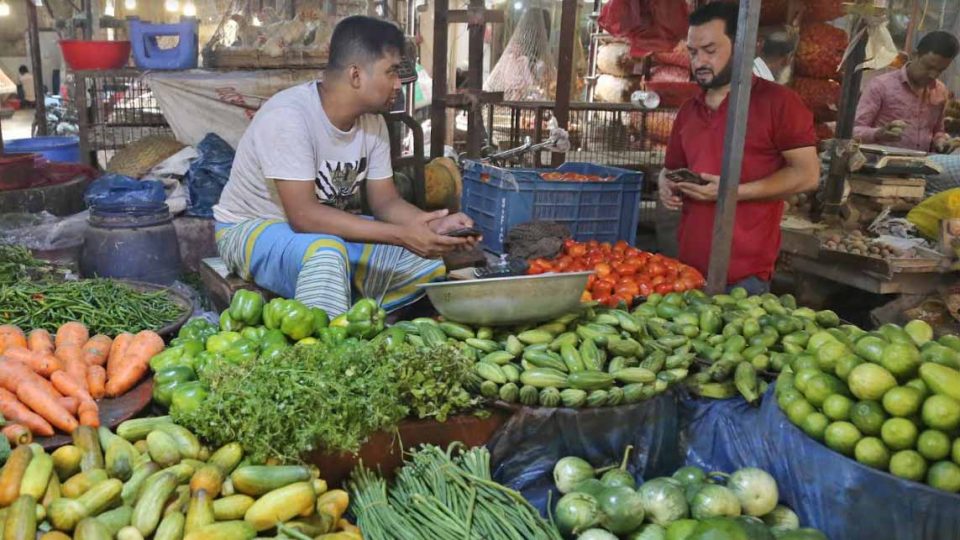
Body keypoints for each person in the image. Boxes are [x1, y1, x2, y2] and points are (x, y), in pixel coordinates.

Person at [213, 16, 478, 317]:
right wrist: (402, 235)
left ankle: (355, 320)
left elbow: (385, 201)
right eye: (391, 72)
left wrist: (430, 225)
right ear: (356, 75)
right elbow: (303, 216)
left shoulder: (373, 123)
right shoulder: (289, 117)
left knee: (424, 261)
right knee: (327, 255)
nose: (398, 84)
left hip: (318, 231)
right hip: (250, 229)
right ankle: (324, 351)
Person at [658, 2, 820, 294]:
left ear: (746, 46)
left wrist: (730, 191)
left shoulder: (779, 103)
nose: (700, 62)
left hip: (746, 275)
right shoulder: (688, 111)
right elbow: (672, 168)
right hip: (687, 269)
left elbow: (807, 175)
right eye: (693, 53)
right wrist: (665, 181)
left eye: (710, 50)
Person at [854, 30, 960, 154]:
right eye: (928, 67)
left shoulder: (940, 91)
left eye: (940, 70)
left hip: (920, 167)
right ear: (915, 55)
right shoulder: (881, 86)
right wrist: (878, 133)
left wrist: (941, 141)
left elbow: (937, 131)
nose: (933, 75)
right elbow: (855, 130)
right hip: (881, 166)